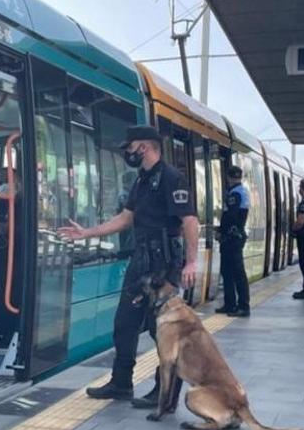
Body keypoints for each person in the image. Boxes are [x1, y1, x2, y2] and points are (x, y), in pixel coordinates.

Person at [59, 125, 199, 406]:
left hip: (164, 263)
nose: (127, 153)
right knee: (125, 322)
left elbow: (190, 221)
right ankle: (121, 383)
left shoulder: (172, 178)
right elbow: (125, 218)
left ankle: (166, 392)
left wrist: (192, 261)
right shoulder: (142, 181)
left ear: (144, 147)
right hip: (141, 260)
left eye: (130, 147)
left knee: (162, 328)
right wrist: (87, 233)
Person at [217, 165, 251, 317]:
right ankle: (230, 304)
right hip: (235, 236)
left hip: (232, 238)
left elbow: (231, 216)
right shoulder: (242, 191)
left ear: (228, 177)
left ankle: (243, 306)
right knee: (228, 271)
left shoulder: (234, 194)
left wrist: (221, 231)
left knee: (236, 273)